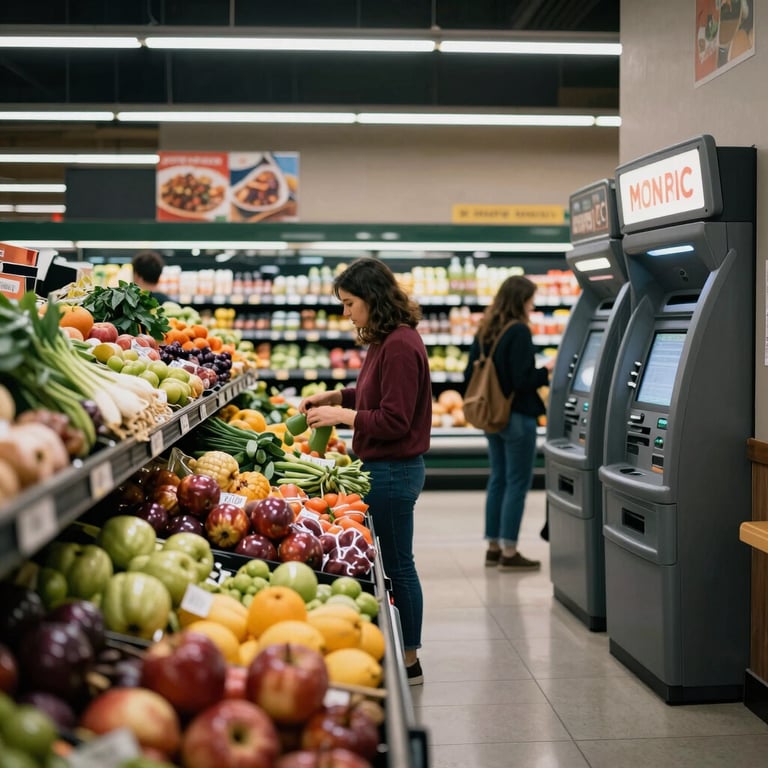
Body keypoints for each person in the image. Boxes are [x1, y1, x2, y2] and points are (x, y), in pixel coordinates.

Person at [298, 256, 431, 685]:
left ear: (372, 298)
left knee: (397, 565)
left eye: (350, 302)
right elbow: (373, 394)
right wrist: (334, 395)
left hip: (393, 471)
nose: (346, 312)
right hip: (382, 467)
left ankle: (410, 660)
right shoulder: (385, 341)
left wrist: (341, 415)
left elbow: (394, 419)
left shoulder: (401, 345)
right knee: (392, 562)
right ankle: (402, 650)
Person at [464, 274, 552, 572]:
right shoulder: (519, 331)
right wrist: (547, 370)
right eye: (531, 299)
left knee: (498, 479)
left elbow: (468, 374)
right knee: (517, 482)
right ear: (521, 300)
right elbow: (523, 380)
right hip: (517, 417)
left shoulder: (485, 329)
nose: (533, 305)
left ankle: (493, 547)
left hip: (492, 416)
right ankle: (510, 551)